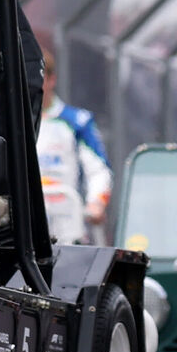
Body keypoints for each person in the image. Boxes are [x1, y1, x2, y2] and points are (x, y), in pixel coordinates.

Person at [36, 58, 112, 247]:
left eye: (39, 78)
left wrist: (96, 203)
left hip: (69, 223)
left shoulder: (77, 121)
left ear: (51, 79)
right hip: (28, 223)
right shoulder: (15, 122)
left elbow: (99, 170)